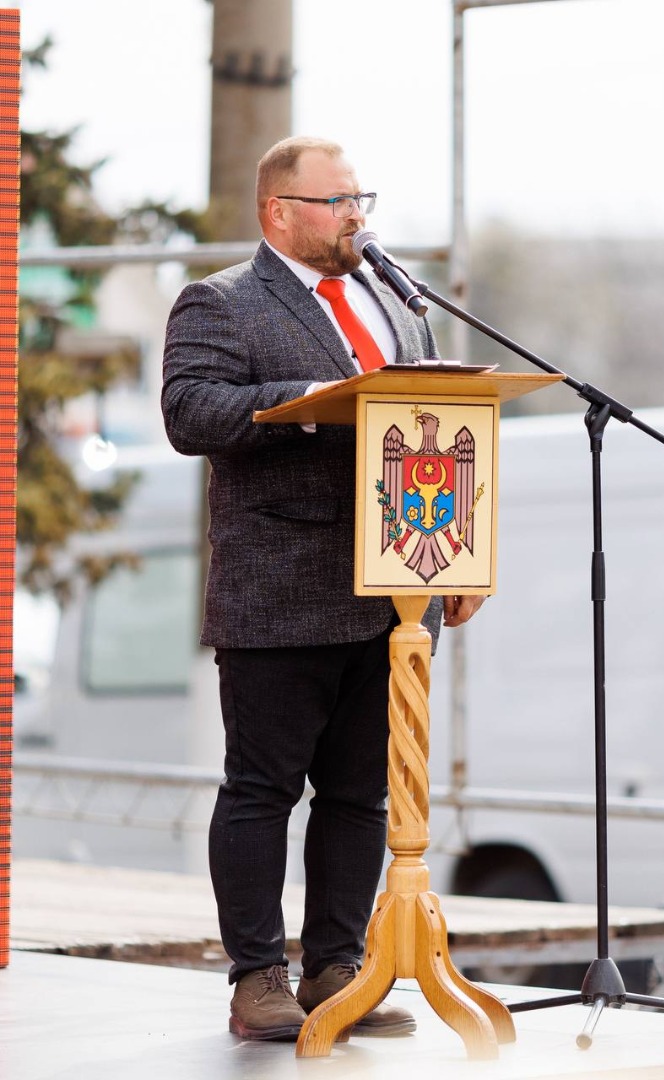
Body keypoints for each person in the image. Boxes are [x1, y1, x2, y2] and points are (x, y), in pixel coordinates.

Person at [161, 135, 485, 1042]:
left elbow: (431, 421)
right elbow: (189, 410)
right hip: (278, 589)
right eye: (337, 200)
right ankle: (257, 977)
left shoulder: (396, 304)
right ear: (278, 212)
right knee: (262, 789)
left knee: (360, 796)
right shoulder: (220, 302)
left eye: (360, 198)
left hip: (392, 592)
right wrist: (308, 398)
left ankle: (339, 969)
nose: (357, 216)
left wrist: (456, 562)